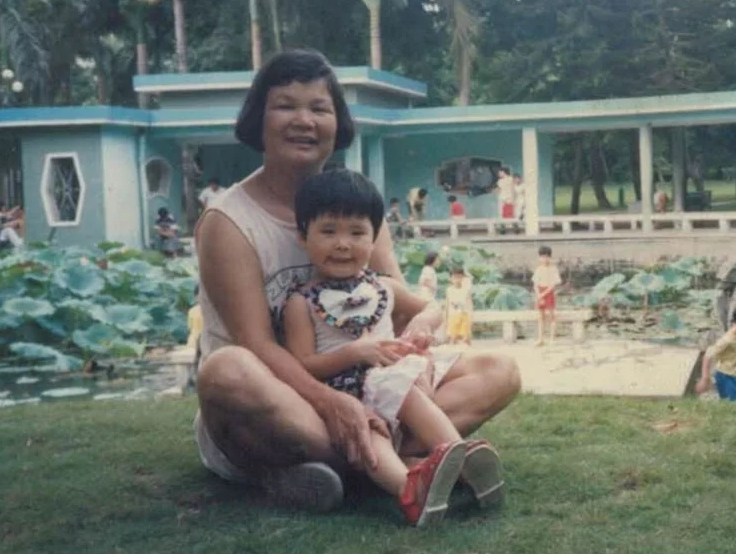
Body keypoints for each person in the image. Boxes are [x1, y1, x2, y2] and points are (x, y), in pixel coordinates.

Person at [193, 49, 519, 513]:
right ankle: (394, 463)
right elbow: (258, 346)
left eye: (319, 108)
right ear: (258, 119)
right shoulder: (229, 220)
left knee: (497, 371)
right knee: (226, 370)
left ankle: (357, 470)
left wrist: (416, 349)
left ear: (337, 122)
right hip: (281, 402)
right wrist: (331, 403)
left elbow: (398, 302)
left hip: (374, 389)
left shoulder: (355, 206)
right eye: (286, 105)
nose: (304, 120)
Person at [283, 170, 502, 526]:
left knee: (401, 387)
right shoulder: (302, 302)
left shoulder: (383, 287)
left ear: (373, 240)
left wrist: (421, 325)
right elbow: (304, 364)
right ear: (303, 237)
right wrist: (355, 353)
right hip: (348, 398)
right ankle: (413, 490)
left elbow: (432, 307)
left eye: (357, 233)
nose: (343, 244)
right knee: (371, 440)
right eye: (328, 231)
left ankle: (456, 459)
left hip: (396, 383)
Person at [532, 245, 562, 346]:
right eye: (542, 257)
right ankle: (541, 339)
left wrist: (543, 294)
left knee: (552, 316)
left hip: (549, 293)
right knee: (541, 317)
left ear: (550, 257)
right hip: (540, 292)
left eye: (546, 257)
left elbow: (553, 285)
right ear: (539, 258)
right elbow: (535, 284)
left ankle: (552, 339)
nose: (544, 259)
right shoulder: (538, 269)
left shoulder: (553, 269)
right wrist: (538, 295)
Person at [444, 266, 473, 346]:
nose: (457, 280)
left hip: (464, 316)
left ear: (463, 278)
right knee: (453, 338)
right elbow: (447, 305)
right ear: (450, 278)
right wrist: (445, 319)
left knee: (466, 338)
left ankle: (469, 353)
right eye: (455, 277)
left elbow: (469, 303)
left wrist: (470, 316)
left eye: (460, 277)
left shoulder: (466, 290)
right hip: (453, 316)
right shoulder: (449, 290)